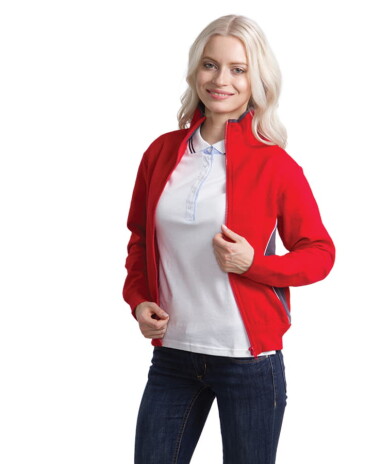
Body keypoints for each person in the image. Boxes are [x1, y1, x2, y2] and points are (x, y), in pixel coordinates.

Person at [123, 14, 335, 464]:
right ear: (194, 71)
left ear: (256, 80)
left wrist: (253, 264)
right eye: (210, 64)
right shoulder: (161, 153)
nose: (221, 80)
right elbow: (140, 239)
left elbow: (319, 254)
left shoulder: (276, 165)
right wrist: (139, 301)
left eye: (238, 69)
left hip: (248, 362)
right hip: (173, 355)